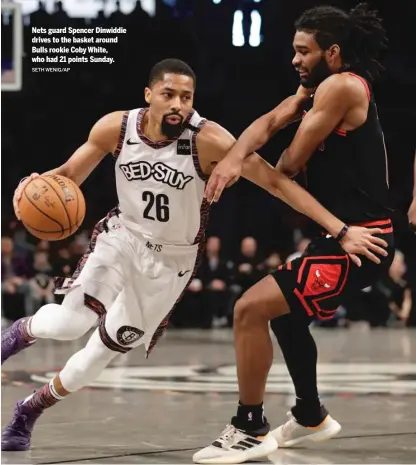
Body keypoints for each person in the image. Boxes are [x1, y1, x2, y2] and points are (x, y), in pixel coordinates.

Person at [2, 58, 386, 453]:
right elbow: (66, 176)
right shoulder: (115, 128)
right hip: (123, 238)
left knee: (96, 359)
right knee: (69, 322)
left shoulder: (207, 139)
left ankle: (29, 409)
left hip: (171, 264)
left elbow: (276, 183)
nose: (178, 105)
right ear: (149, 95)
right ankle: (12, 337)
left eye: (186, 97)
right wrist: (34, 185)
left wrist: (340, 229)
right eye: (168, 95)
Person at [195, 4, 395, 463]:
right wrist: (232, 159)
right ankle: (310, 415)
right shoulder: (321, 88)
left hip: (361, 239)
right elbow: (267, 124)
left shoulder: (341, 87)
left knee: (248, 309)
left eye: (304, 51)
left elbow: (287, 166)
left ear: (334, 52)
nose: (295, 59)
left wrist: (259, 150)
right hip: (344, 236)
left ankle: (249, 425)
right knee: (285, 317)